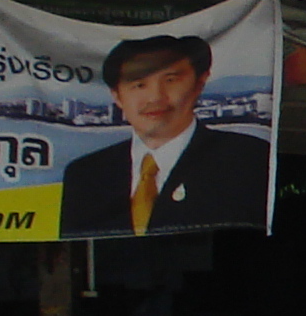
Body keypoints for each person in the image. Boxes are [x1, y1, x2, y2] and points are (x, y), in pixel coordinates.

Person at [60, 35, 274, 238]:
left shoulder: (246, 158)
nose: (155, 97)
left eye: (171, 80)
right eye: (139, 84)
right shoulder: (85, 174)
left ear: (199, 83)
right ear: (116, 95)